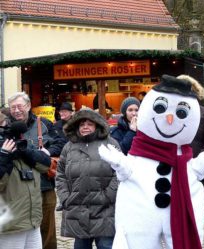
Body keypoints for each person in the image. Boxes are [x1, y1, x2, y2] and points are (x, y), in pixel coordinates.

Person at [8, 92, 65, 249]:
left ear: (28, 106)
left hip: (44, 186)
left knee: (47, 230)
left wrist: (46, 152)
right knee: (20, 231)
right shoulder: (6, 126)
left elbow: (61, 143)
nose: (16, 110)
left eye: (19, 106)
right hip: (17, 190)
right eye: (13, 107)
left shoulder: (44, 123)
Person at [56, 108, 119, 249]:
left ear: (97, 125)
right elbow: (60, 174)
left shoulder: (111, 144)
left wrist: (108, 196)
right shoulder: (69, 147)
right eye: (82, 124)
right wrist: (66, 197)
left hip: (105, 211)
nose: (85, 127)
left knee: (106, 245)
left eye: (90, 124)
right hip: (78, 210)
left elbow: (120, 172)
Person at [0, 112, 51, 249]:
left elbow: (45, 166)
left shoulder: (22, 145)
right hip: (10, 224)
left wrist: (25, 150)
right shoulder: (4, 153)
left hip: (32, 221)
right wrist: (4, 156)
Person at [177, 74, 204, 205]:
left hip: (198, 168)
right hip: (175, 166)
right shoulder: (170, 112)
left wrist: (198, 162)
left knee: (197, 206)